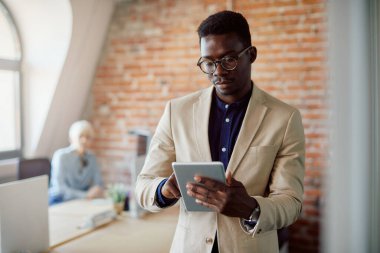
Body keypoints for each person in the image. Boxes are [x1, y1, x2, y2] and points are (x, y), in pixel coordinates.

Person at [135, 10, 305, 253]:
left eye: (229, 60)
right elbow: (143, 186)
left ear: (252, 54)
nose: (219, 71)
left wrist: (250, 207)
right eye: (208, 62)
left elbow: (292, 202)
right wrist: (164, 189)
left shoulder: (285, 118)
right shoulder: (177, 112)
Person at [49, 120, 104, 204]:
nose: (84, 140)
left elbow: (99, 183)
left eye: (88, 137)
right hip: (61, 200)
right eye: (80, 136)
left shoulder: (92, 158)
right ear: (71, 138)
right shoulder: (61, 156)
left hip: (82, 201)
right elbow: (60, 188)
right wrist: (85, 195)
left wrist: (96, 190)